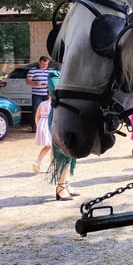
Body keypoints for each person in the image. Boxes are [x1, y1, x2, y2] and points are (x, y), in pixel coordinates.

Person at [47, 70, 78, 201]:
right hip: (59, 117)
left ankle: (65, 182)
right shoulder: (54, 74)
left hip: (71, 116)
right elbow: (60, 93)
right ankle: (60, 187)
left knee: (71, 153)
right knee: (61, 153)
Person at [26, 55, 50, 131]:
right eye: (43, 64)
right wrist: (35, 83)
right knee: (36, 110)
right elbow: (27, 81)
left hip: (47, 94)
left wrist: (49, 85)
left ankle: (46, 127)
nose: (44, 66)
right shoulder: (33, 70)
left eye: (46, 64)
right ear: (39, 62)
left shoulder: (51, 71)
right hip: (37, 94)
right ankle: (35, 127)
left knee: (47, 110)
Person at [32, 92, 53, 174]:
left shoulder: (42, 104)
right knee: (53, 147)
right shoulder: (54, 105)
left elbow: (37, 116)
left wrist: (39, 127)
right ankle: (52, 166)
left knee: (48, 146)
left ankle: (37, 161)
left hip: (42, 124)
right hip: (50, 125)